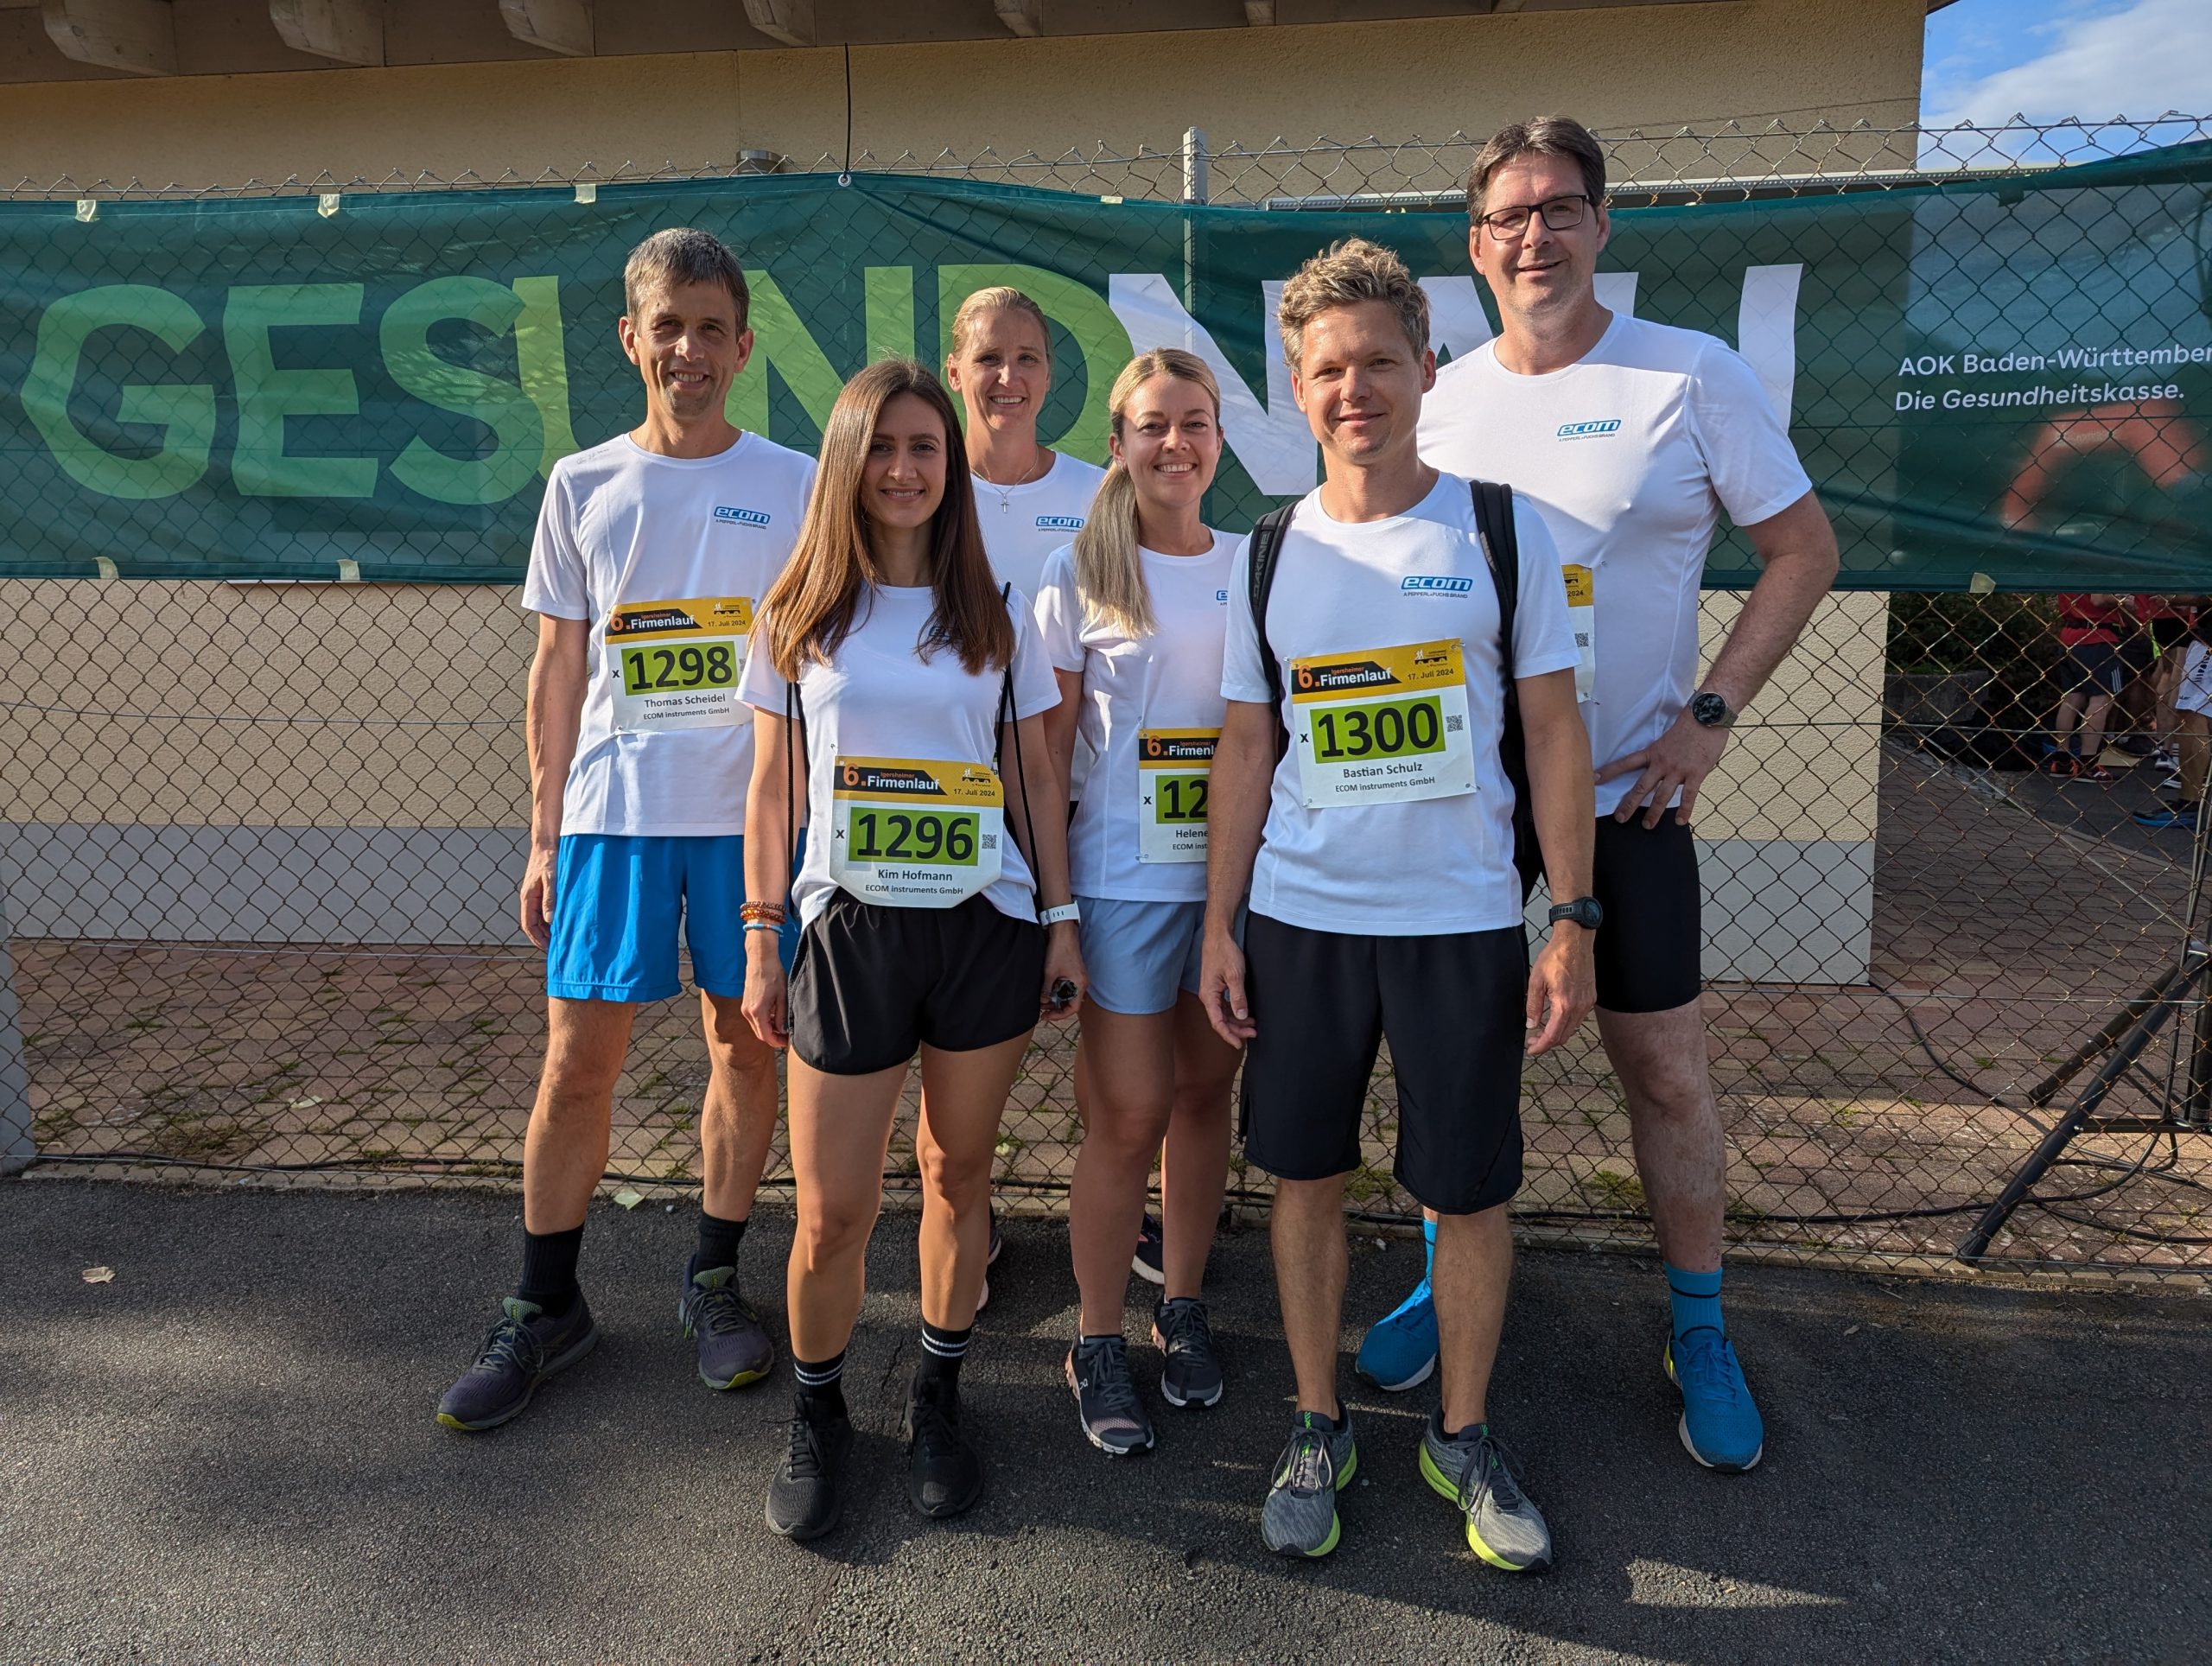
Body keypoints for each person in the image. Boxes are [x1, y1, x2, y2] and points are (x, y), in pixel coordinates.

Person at [1408, 114, 1842, 1476]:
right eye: (1508, 215)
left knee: (1660, 1068)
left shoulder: (1688, 374)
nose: (1534, 234)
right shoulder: (1442, 397)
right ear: (1474, 247)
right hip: (1469, 797)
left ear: (1603, 226)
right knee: (1459, 1060)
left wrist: (1711, 719)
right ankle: (1444, 1281)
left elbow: (1803, 549)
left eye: (1560, 208)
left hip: (1626, 801)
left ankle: (1699, 1326)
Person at [1198, 238, 1599, 1566]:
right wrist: (1220, 925)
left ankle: (1461, 1432)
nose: (1354, 386)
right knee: (1303, 1178)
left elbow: (1551, 731)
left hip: (1463, 927)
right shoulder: (1266, 552)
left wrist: (1572, 920)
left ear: (1426, 367)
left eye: (1379, 359)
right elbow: (1247, 752)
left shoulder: (1497, 525)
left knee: (1468, 1193)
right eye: (1328, 368)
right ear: (1296, 391)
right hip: (1303, 927)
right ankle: (1318, 1420)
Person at [435, 229, 815, 1432]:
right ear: (630, 337)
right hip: (614, 820)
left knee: (746, 1049)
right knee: (575, 1062)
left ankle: (713, 1281)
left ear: (743, 345)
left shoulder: (800, 483)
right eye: (669, 326)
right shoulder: (580, 483)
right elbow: (557, 671)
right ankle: (548, 1306)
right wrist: (544, 836)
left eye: (712, 328)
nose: (689, 349)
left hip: (754, 821)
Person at [735, 358, 1085, 1539]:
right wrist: (760, 937)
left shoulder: (998, 610)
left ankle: (938, 1394)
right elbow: (771, 789)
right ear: (846, 461)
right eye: (880, 446)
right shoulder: (796, 615)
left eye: (925, 447)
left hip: (983, 930)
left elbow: (1038, 776)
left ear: (951, 466)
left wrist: (1060, 921)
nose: (903, 467)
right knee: (832, 1210)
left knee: (956, 1175)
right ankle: (818, 1410)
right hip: (849, 935)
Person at [1035, 349, 1243, 1456]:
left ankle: (1184, 1304)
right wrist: (1057, 914)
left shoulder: (1258, 566)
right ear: (1117, 442)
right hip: (1118, 887)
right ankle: (1097, 1333)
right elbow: (1050, 757)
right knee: (1125, 1117)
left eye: (1195, 423)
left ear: (1219, 439)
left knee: (1206, 1098)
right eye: (1153, 425)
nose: (1177, 444)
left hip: (1226, 891)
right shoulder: (1076, 576)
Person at [941, 284, 1113, 1282]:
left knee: (1097, 1006)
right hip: (942, 802)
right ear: (956, 369)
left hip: (1067, 793)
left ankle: (1113, 1194)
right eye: (989, 358)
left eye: (1028, 359)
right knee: (959, 1020)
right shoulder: (915, 482)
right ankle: (970, 1200)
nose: (1008, 378)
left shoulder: (1096, 493)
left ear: (1051, 374)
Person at [2046, 593, 2128, 782]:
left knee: (2073, 698)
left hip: (2070, 635)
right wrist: (2123, 602)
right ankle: (2089, 763)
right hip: (2096, 637)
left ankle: (2062, 759)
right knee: (2102, 698)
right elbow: (2099, 599)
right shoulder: (2096, 567)